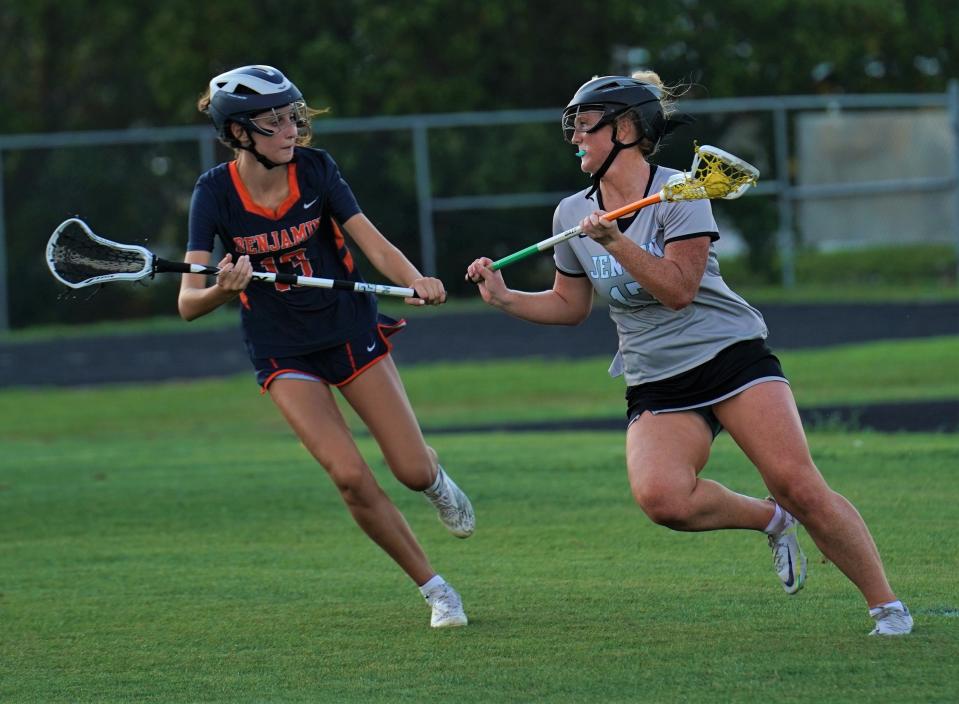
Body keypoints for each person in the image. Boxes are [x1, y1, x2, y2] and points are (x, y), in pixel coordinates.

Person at [465, 72, 912, 636]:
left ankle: (887, 608)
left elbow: (678, 290)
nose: (575, 136)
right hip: (656, 379)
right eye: (572, 126)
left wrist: (616, 241)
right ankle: (772, 521)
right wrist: (506, 299)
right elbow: (568, 305)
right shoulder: (570, 214)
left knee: (798, 483)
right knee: (663, 499)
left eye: (585, 125)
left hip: (729, 357)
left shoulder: (683, 191)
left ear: (624, 128)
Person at [180, 64, 474, 628]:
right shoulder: (213, 193)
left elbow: (373, 243)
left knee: (410, 470)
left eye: (292, 116)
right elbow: (189, 302)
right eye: (274, 122)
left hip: (347, 331)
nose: (292, 129)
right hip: (281, 351)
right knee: (349, 477)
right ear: (239, 133)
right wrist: (224, 286)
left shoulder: (315, 171)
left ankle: (434, 480)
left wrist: (416, 279)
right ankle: (437, 590)